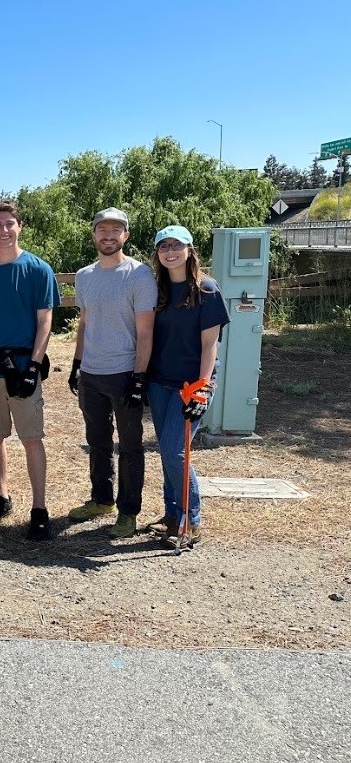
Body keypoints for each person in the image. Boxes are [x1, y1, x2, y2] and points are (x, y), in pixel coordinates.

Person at [0, 201, 61, 540]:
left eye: (10, 224)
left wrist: (35, 364)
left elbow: (45, 319)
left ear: (19, 226)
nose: (4, 230)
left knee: (32, 438)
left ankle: (39, 508)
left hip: (23, 368)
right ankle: (2, 496)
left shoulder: (38, 270)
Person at [67, 208, 158, 538]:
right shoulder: (84, 276)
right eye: (102, 229)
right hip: (92, 373)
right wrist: (77, 364)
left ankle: (128, 511)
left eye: (115, 230)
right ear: (93, 235)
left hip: (124, 373)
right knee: (97, 441)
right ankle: (101, 499)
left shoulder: (138, 275)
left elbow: (145, 332)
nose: (108, 235)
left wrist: (139, 377)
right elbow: (85, 321)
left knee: (130, 446)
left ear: (126, 235)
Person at [146, 225, 230, 547]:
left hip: (192, 384)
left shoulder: (206, 290)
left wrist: (202, 387)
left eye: (176, 245)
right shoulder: (157, 289)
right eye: (163, 246)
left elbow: (210, 346)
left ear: (189, 250)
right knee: (167, 452)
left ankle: (190, 520)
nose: (170, 251)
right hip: (159, 381)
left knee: (173, 449)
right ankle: (171, 515)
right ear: (158, 253)